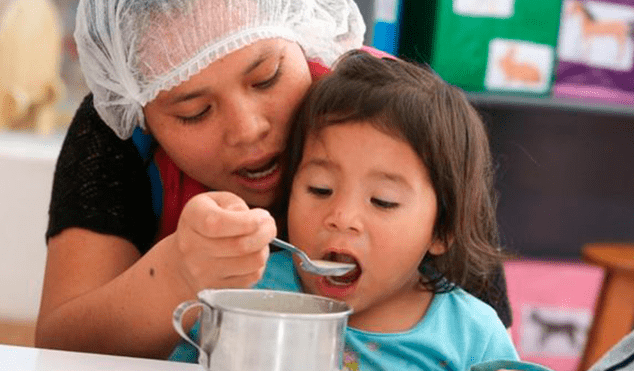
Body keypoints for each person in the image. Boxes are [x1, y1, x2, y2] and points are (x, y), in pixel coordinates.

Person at [35, 0, 511, 360]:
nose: (248, 130)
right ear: (140, 116)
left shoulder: (403, 120)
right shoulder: (116, 126)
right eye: (194, 112)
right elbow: (59, 352)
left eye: (266, 78)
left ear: (306, 42)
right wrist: (177, 274)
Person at [172, 49, 525, 370]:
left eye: (383, 201)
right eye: (320, 189)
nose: (341, 216)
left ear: (441, 229)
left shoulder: (473, 335)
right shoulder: (249, 292)